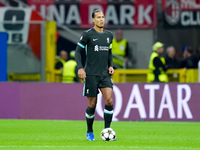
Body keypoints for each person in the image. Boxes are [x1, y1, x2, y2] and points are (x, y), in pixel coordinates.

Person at [75, 9, 115, 141]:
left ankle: (107, 130)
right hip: (91, 74)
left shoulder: (109, 35)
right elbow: (77, 52)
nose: (101, 19)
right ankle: (89, 131)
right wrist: (80, 68)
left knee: (109, 100)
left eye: (103, 17)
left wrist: (110, 65)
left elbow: (109, 52)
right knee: (92, 104)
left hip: (104, 74)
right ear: (93, 20)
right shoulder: (87, 35)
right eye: (98, 17)